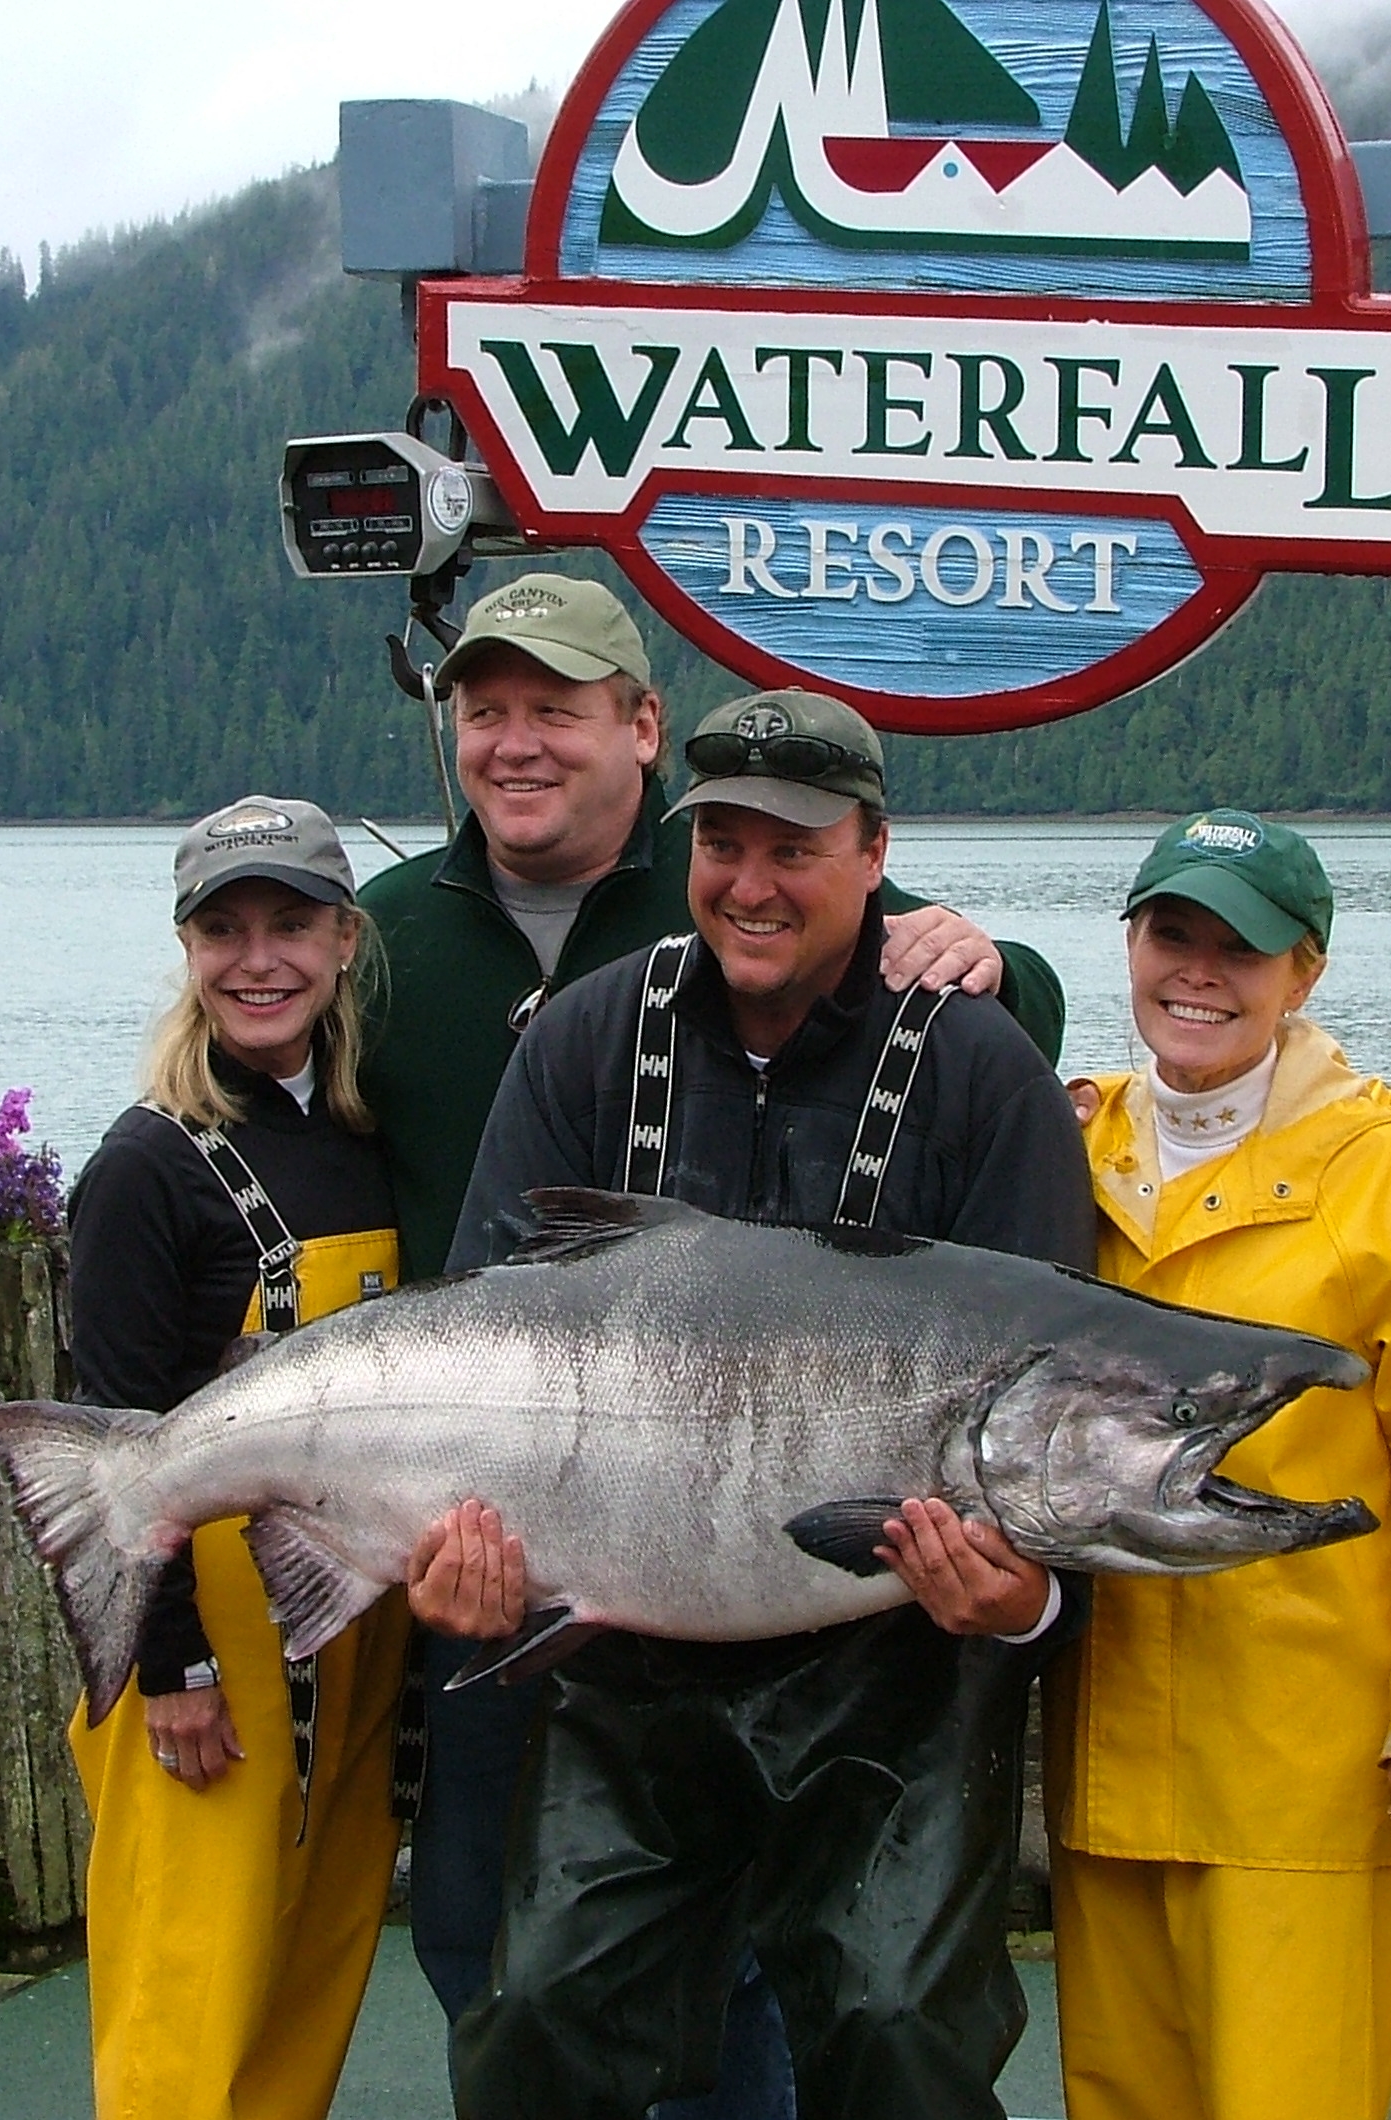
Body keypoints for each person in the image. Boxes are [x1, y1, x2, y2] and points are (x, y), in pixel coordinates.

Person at [353, 573, 1067, 2083]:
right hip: (621, 1671)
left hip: (897, 1672)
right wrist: (464, 1557)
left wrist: (1026, 1598)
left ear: (875, 856)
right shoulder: (584, 1038)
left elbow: (1053, 1403)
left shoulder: (981, 1068)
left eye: (795, 849)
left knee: (892, 2028)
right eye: (725, 843)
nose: (753, 882)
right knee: (531, 2020)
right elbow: (485, 1325)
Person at [1047, 810, 1391, 2120]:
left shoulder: (1384, 1173)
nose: (1199, 974)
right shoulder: (1074, 1143)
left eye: (1241, 950)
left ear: (1305, 972)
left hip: (1305, 1771)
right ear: (1130, 946)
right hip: (1106, 1762)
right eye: (1172, 935)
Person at [61, 795, 410, 2120]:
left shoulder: (364, 1141)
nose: (258, 961)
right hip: (208, 1643)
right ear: (187, 949)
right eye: (224, 932)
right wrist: (172, 1670)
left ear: (344, 941)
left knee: (308, 1982)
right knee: (187, 2000)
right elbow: (113, 1441)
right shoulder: (145, 1168)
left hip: (351, 1618)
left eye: (290, 927)